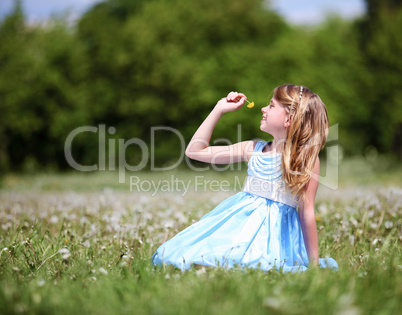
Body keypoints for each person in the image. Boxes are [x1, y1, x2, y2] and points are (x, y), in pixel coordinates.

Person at [151, 84, 338, 273]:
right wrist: (219, 109)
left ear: (289, 118)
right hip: (240, 227)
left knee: (261, 267)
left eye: (271, 106)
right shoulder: (253, 148)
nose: (263, 109)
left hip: (277, 236)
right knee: (198, 258)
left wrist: (313, 264)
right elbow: (194, 151)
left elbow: (306, 213)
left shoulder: (305, 160)